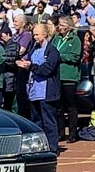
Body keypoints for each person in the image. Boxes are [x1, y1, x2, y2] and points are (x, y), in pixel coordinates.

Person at [16, 22, 61, 152]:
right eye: (33, 34)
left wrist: (30, 66)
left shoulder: (52, 51)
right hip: (34, 90)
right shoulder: (34, 49)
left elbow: (47, 69)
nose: (34, 37)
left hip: (46, 91)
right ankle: (39, 146)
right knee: (36, 121)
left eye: (37, 34)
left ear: (44, 34)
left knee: (48, 121)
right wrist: (23, 64)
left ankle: (53, 147)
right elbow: (30, 63)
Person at [52, 16, 81, 143]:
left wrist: (60, 56)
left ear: (69, 26)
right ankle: (60, 132)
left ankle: (73, 133)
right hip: (57, 76)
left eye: (63, 25)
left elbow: (75, 57)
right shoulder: (56, 38)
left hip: (69, 77)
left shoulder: (75, 40)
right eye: (59, 25)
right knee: (58, 107)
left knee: (71, 107)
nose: (60, 27)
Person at [11, 13, 33, 118]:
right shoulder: (15, 35)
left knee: (21, 94)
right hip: (14, 67)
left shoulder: (26, 35)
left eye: (16, 21)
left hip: (22, 68)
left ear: (23, 23)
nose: (14, 23)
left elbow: (20, 51)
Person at [0, 26, 18, 110]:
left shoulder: (13, 45)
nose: (1, 38)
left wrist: (0, 59)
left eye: (3, 36)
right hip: (4, 76)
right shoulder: (3, 45)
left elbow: (10, 60)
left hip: (10, 76)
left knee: (9, 101)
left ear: (8, 34)